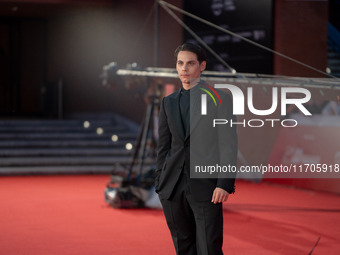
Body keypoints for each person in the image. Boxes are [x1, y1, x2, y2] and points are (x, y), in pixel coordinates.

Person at [155, 43, 238, 255]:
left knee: (209, 248)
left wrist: (224, 183)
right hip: (172, 188)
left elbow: (228, 144)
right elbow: (163, 147)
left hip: (207, 187)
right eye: (180, 63)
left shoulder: (221, 99)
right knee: (183, 247)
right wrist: (160, 182)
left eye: (190, 63)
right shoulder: (168, 103)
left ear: (201, 66)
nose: (184, 69)